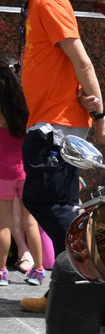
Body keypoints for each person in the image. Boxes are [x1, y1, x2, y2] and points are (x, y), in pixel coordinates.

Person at [3, 0, 105, 311]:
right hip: (51, 121)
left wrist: (100, 114)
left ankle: (98, 273)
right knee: (61, 201)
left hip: (56, 125)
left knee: (42, 198)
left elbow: (82, 61)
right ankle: (65, 291)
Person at [0, 59, 43, 285]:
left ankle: (1, 273)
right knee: (30, 222)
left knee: (4, 223)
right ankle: (38, 270)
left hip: (2, 174)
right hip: (24, 172)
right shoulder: (24, 109)